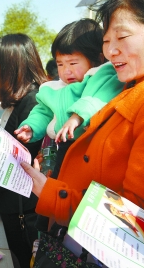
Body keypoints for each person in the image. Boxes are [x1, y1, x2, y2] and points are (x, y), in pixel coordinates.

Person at [21, 0, 144, 249]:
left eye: (122, 37)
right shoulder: (124, 85)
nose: (111, 51)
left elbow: (139, 217)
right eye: (106, 41)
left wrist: (50, 192)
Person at [0, 33, 46, 268]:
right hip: (14, 206)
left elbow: (18, 161)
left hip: (23, 210)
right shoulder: (20, 100)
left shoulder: (33, 102)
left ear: (12, 67)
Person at [15, 18, 124, 179]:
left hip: (92, 149)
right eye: (60, 64)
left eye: (73, 63)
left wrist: (77, 117)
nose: (66, 71)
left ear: (98, 59)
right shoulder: (53, 89)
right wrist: (31, 127)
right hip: (65, 148)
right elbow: (43, 111)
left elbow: (97, 97)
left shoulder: (102, 75)